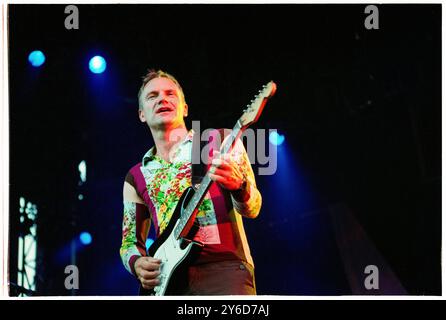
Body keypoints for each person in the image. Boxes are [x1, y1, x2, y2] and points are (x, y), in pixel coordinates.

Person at [119, 69, 262, 295]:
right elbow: (129, 243)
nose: (162, 99)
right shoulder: (135, 176)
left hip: (223, 270)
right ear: (141, 114)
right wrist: (137, 264)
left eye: (170, 94)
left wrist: (239, 186)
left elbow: (253, 208)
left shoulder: (221, 141)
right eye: (152, 96)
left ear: (184, 108)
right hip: (168, 282)